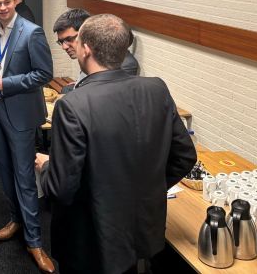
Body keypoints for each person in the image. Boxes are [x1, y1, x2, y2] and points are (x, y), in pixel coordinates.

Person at [36, 14, 197, 274]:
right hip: (141, 230)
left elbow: (61, 190)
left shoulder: (72, 105)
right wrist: (145, 190)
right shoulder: (157, 89)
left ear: (86, 48)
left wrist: (46, 167)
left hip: (91, 241)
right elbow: (185, 156)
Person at [0, 0, 55, 273]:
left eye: (6, 2)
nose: (2, 8)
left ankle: (34, 241)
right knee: (4, 171)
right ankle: (15, 220)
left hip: (20, 114)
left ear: (16, 0)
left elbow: (44, 73)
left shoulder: (31, 32)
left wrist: (5, 83)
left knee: (24, 177)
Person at [53, 8, 140, 92]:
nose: (64, 47)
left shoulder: (124, 63)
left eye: (69, 39)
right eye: (61, 42)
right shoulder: (93, 53)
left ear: (85, 32)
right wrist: (80, 82)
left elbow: (108, 94)